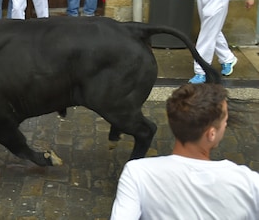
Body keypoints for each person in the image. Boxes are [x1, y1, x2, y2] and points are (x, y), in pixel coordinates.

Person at [111, 83, 259, 219]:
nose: (226, 125)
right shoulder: (249, 183)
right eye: (225, 121)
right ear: (211, 134)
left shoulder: (137, 173)